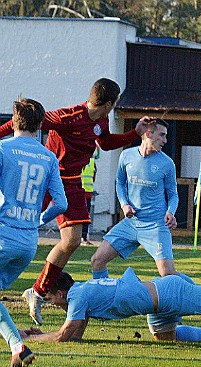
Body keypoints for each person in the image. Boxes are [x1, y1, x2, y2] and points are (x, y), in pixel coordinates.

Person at [0, 78, 153, 326]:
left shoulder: (100, 121)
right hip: (46, 179)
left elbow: (105, 143)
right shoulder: (67, 117)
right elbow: (22, 122)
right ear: (109, 104)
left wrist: (133, 134)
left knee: (71, 240)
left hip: (71, 185)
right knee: (14, 227)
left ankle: (37, 292)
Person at [18, 251, 201, 343]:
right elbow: (71, 333)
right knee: (164, 335)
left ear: (60, 292)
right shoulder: (80, 291)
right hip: (158, 300)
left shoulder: (77, 298)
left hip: (170, 294)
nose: (51, 302)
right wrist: (44, 333)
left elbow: (66, 337)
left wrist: (32, 338)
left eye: (50, 298)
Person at [0, 98, 67, 367]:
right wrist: (36, 220)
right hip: (28, 242)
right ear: (41, 125)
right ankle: (18, 348)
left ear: (13, 122)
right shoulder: (48, 157)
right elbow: (61, 204)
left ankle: (17, 346)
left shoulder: (3, 149)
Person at [90, 117, 178, 280]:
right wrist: (124, 205)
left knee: (168, 274)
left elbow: (173, 194)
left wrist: (170, 212)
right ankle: (103, 296)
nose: (165, 140)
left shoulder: (167, 164)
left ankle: (195, 296)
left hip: (156, 225)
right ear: (148, 133)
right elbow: (120, 183)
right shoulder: (126, 156)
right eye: (162, 135)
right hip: (130, 223)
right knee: (97, 260)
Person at [81, 150, 98, 245]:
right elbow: (94, 177)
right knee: (86, 215)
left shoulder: (81, 161)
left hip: (81, 191)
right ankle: (83, 236)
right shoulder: (93, 163)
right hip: (87, 192)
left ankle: (81, 236)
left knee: (82, 215)